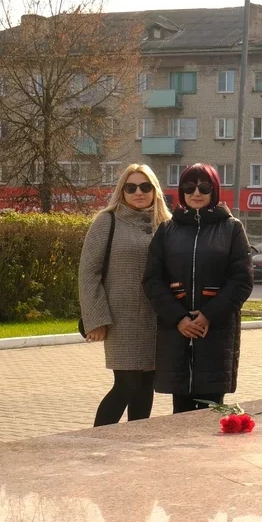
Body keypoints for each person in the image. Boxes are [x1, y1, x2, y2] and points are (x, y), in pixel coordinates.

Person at [143, 164, 253, 413]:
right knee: (180, 413)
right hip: (177, 333)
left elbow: (242, 280)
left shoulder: (231, 228)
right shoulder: (167, 230)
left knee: (212, 411)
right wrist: (179, 318)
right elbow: (152, 280)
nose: (196, 193)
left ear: (214, 190)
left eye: (204, 187)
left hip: (214, 333)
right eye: (189, 187)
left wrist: (208, 316)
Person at [79, 164, 172, 426]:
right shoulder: (107, 221)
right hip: (120, 320)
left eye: (145, 187)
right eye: (131, 187)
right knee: (126, 383)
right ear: (122, 191)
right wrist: (96, 319)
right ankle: (97, 440)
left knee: (145, 383)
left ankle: (134, 442)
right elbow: (88, 273)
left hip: (156, 320)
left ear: (155, 191)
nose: (138, 192)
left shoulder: (165, 224)